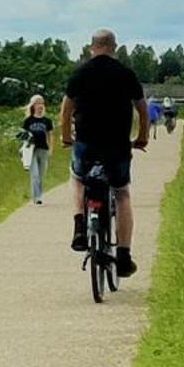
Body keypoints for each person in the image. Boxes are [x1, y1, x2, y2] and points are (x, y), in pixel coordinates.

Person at [61, 30, 150, 278]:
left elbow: (66, 111)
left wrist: (66, 137)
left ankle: (80, 227)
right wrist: (142, 137)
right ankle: (123, 255)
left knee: (78, 178)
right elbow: (142, 110)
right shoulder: (125, 74)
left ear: (92, 47)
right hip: (117, 144)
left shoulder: (80, 73)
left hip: (86, 143)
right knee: (121, 193)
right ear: (114, 47)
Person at [19, 94, 52, 204]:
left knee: (41, 175)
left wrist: (51, 148)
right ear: (33, 105)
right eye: (38, 103)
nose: (40, 106)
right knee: (35, 175)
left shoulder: (47, 121)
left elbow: (50, 135)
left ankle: (39, 194)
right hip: (31, 150)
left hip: (43, 150)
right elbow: (22, 136)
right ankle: (37, 197)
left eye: (42, 103)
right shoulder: (28, 121)